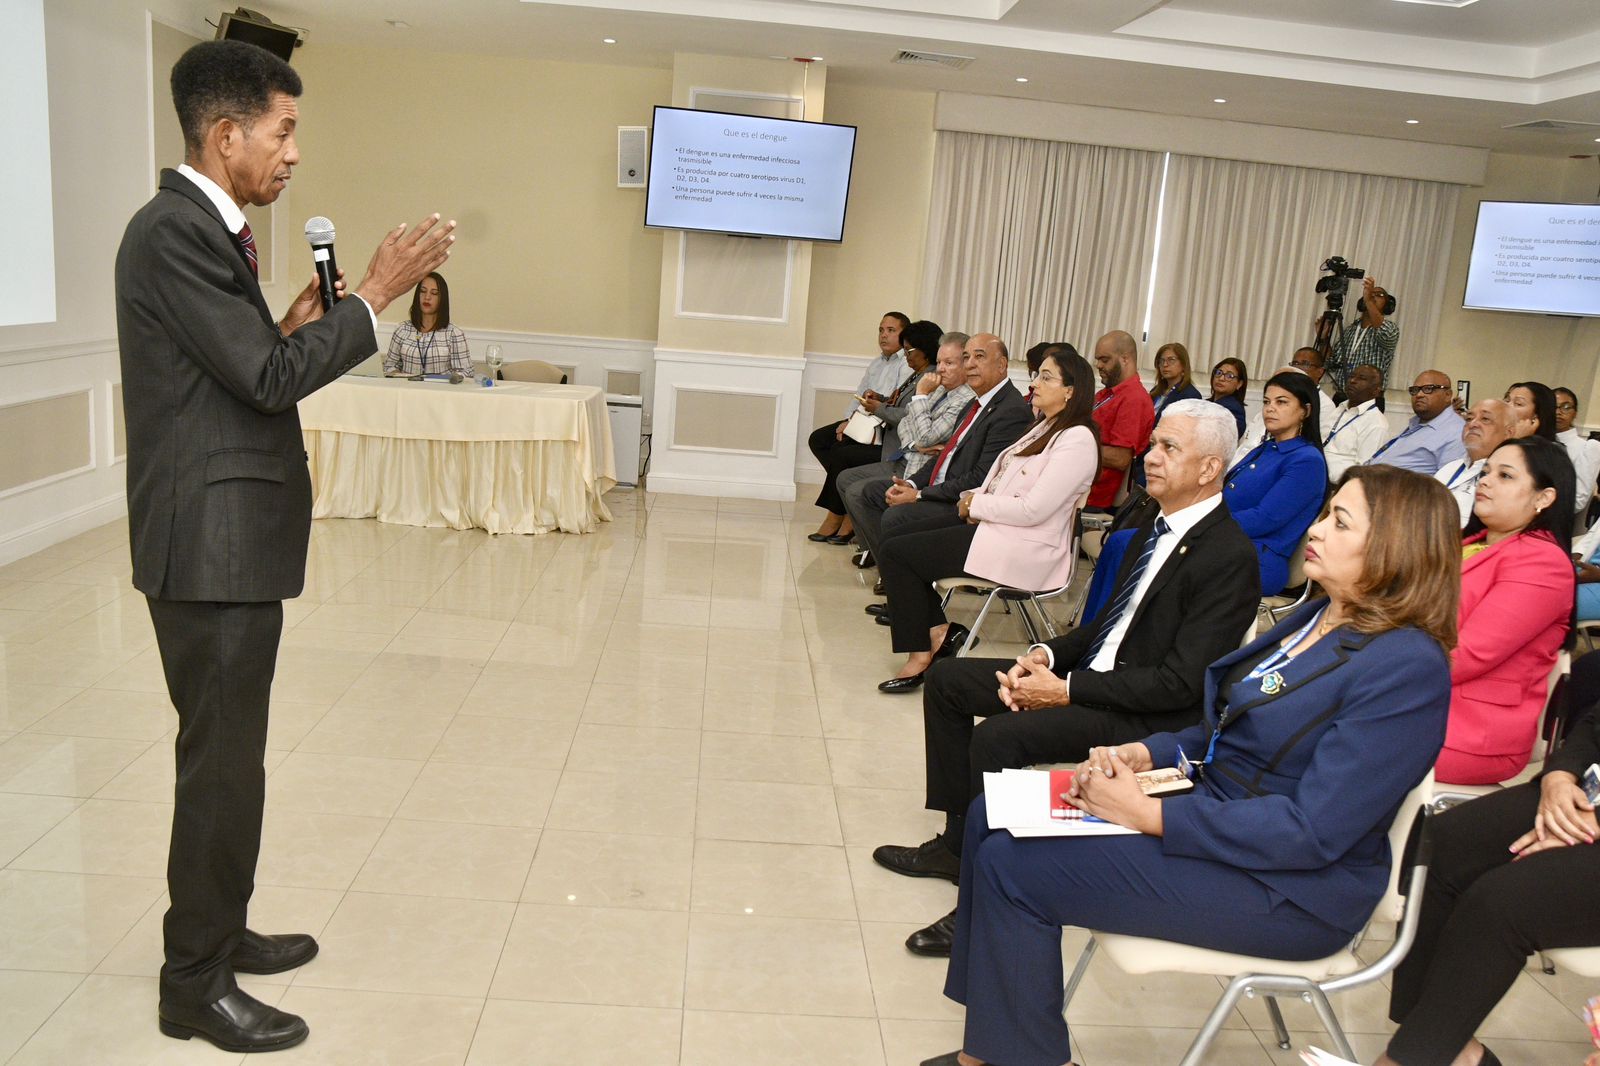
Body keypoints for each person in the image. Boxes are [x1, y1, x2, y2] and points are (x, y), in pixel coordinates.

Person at [116, 39, 453, 1052]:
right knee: (220, 768)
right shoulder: (173, 230)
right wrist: (373, 295)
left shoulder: (201, 230)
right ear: (226, 137)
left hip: (227, 543)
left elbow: (245, 367)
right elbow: (262, 388)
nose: (293, 153)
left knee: (235, 763)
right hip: (207, 548)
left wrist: (294, 323)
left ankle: (217, 932)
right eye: (282, 130)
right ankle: (192, 985)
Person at [925, 465, 1459, 1066]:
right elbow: (1227, 726)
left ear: (1397, 546)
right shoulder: (1323, 615)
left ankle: (1013, 1058)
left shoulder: (1406, 666)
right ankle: (994, 1047)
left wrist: (1149, 816)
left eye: (1340, 520)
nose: (1315, 527)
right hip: (1214, 817)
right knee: (988, 813)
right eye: (1325, 512)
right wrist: (1144, 753)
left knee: (1012, 867)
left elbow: (1314, 832)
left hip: (1288, 890)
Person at [874, 400, 1259, 957]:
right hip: (1096, 680)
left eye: (1168, 448)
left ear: (1209, 468)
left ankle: (984, 901)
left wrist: (1066, 692)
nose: (1149, 458)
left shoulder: (1228, 556)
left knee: (998, 737)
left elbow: (1179, 685)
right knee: (950, 681)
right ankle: (958, 846)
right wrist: (1044, 658)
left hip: (1142, 711)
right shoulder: (1156, 527)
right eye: (1152, 444)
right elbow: (1108, 625)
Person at [1382, 699, 1600, 1066]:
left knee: (1505, 901)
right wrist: (1560, 776)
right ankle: (1454, 1050)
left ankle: (1409, 1059)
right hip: (1591, 798)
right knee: (1441, 845)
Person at [874, 347, 1101, 691]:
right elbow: (1001, 480)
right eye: (1037, 375)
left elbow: (1033, 510)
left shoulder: (1077, 439)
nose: (1035, 382)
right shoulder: (1045, 426)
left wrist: (976, 506)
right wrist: (972, 499)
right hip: (998, 529)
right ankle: (940, 633)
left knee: (898, 553)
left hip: (1025, 547)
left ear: (1071, 391)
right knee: (894, 540)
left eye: (1046, 377)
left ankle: (921, 653)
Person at [1440, 437, 1575, 785]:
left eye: (1505, 476)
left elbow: (1467, 656)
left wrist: (1373, 668)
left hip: (1467, 729)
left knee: (1314, 729)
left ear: (1543, 497)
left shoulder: (1543, 562)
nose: (1484, 480)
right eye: (1486, 471)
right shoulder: (1470, 543)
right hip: (1421, 699)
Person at [851, 333, 1033, 575]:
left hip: (961, 501)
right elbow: (940, 451)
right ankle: (893, 573)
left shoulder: (1010, 410)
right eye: (967, 357)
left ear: (1001, 365)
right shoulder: (976, 403)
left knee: (896, 517)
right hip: (938, 485)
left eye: (979, 357)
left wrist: (919, 495)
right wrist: (911, 482)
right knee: (872, 493)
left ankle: (904, 577)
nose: (970, 364)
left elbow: (981, 477)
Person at [839, 330, 970, 567]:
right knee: (845, 479)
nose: (940, 369)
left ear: (967, 363)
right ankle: (881, 554)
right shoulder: (940, 389)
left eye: (949, 363)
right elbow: (907, 424)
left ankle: (889, 561)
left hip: (921, 471)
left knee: (859, 491)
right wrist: (918, 444)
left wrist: (920, 398)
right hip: (908, 456)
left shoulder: (964, 398)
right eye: (939, 362)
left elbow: (925, 434)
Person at [806, 311, 912, 543]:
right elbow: (859, 396)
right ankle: (846, 500)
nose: (884, 335)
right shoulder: (876, 363)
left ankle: (839, 515)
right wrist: (847, 420)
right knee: (820, 439)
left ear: (904, 335)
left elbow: (894, 405)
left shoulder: (906, 365)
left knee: (842, 453)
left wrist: (872, 408)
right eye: (881, 330)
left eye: (891, 331)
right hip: (863, 421)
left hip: (883, 429)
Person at [1223, 371, 1328, 595]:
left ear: (1305, 411)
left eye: (1282, 402)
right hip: (1228, 544)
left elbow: (1265, 519)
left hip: (1257, 561)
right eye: (1266, 402)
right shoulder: (1267, 448)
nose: (1270, 408)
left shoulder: (1306, 461)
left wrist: (1205, 524)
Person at [1085, 330, 1156, 511]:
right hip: (1080, 482)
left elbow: (1120, 458)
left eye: (1105, 360)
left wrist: (1073, 444)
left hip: (1095, 497)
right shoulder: (1106, 394)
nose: (1098, 365)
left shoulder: (1134, 399)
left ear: (1125, 359)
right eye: (1097, 360)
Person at [1433, 398, 1515, 527]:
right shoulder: (1449, 469)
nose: (1473, 424)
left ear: (1508, 433)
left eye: (1485, 419)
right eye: (1469, 419)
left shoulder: (1508, 478)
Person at [1367, 370, 1466, 475]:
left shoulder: (1457, 433)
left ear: (1447, 395)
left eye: (1428, 389)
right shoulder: (1417, 423)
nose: (1419, 395)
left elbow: (1447, 487)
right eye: (1415, 390)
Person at [381, 272, 471, 378]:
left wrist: (446, 379)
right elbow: (389, 366)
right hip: (407, 391)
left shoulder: (454, 333)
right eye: (423, 291)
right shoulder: (402, 329)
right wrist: (400, 376)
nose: (427, 297)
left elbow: (466, 373)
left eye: (434, 293)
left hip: (440, 392)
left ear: (442, 299)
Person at [1324, 275, 1399, 399]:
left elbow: (1386, 333)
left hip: (1369, 398)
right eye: (1371, 294)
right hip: (1342, 396)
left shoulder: (1391, 328)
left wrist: (1369, 300)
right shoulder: (1350, 330)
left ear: (1387, 305)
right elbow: (1332, 363)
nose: (1373, 296)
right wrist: (1324, 339)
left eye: (1379, 295)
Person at [1322, 363, 1389, 483]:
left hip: (1335, 487)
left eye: (1362, 378)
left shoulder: (1376, 423)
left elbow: (1363, 472)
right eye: (1352, 376)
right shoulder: (1339, 409)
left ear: (1376, 391)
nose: (1352, 381)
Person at [1555, 387, 1600, 526]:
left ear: (1575, 413)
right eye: (1553, 406)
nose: (1558, 412)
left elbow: (1578, 500)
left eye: (1566, 407)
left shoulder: (1587, 447)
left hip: (1558, 519)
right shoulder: (1535, 441)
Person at [1206, 357, 1249, 438]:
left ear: (1239, 384)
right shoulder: (1207, 403)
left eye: (1229, 376)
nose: (1221, 378)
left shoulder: (1233, 409)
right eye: (1219, 373)